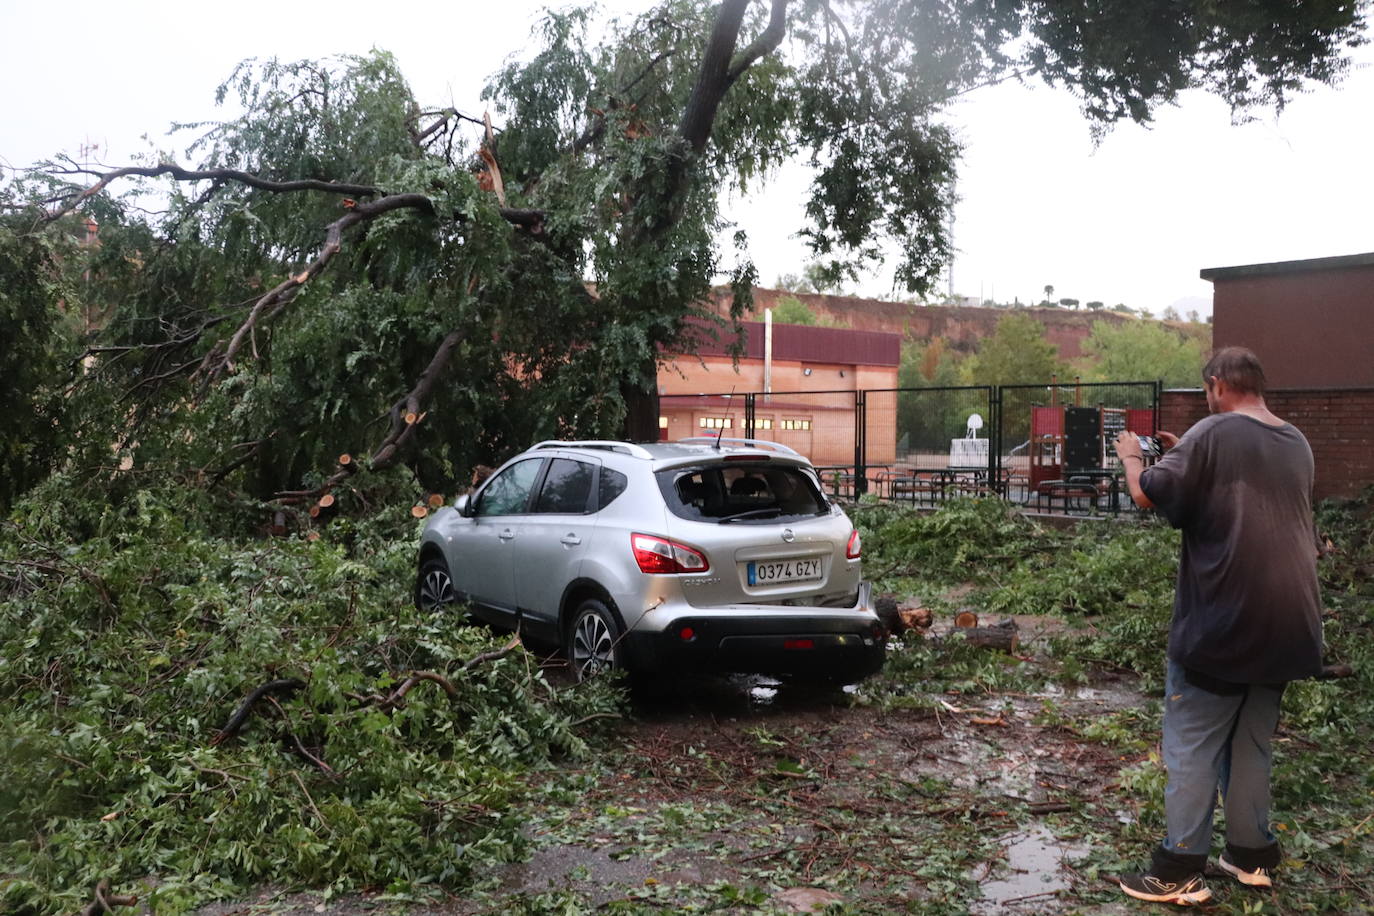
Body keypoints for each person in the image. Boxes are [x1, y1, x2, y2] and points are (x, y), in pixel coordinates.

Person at [1111, 346, 1324, 906]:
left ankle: (1177, 868)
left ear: (1216, 385)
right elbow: (1240, 491)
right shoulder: (1294, 440)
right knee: (1251, 744)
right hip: (1291, 625)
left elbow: (1146, 493)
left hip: (1224, 624)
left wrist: (1133, 455)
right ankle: (1251, 857)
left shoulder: (1213, 431)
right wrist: (1188, 453)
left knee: (1192, 746)